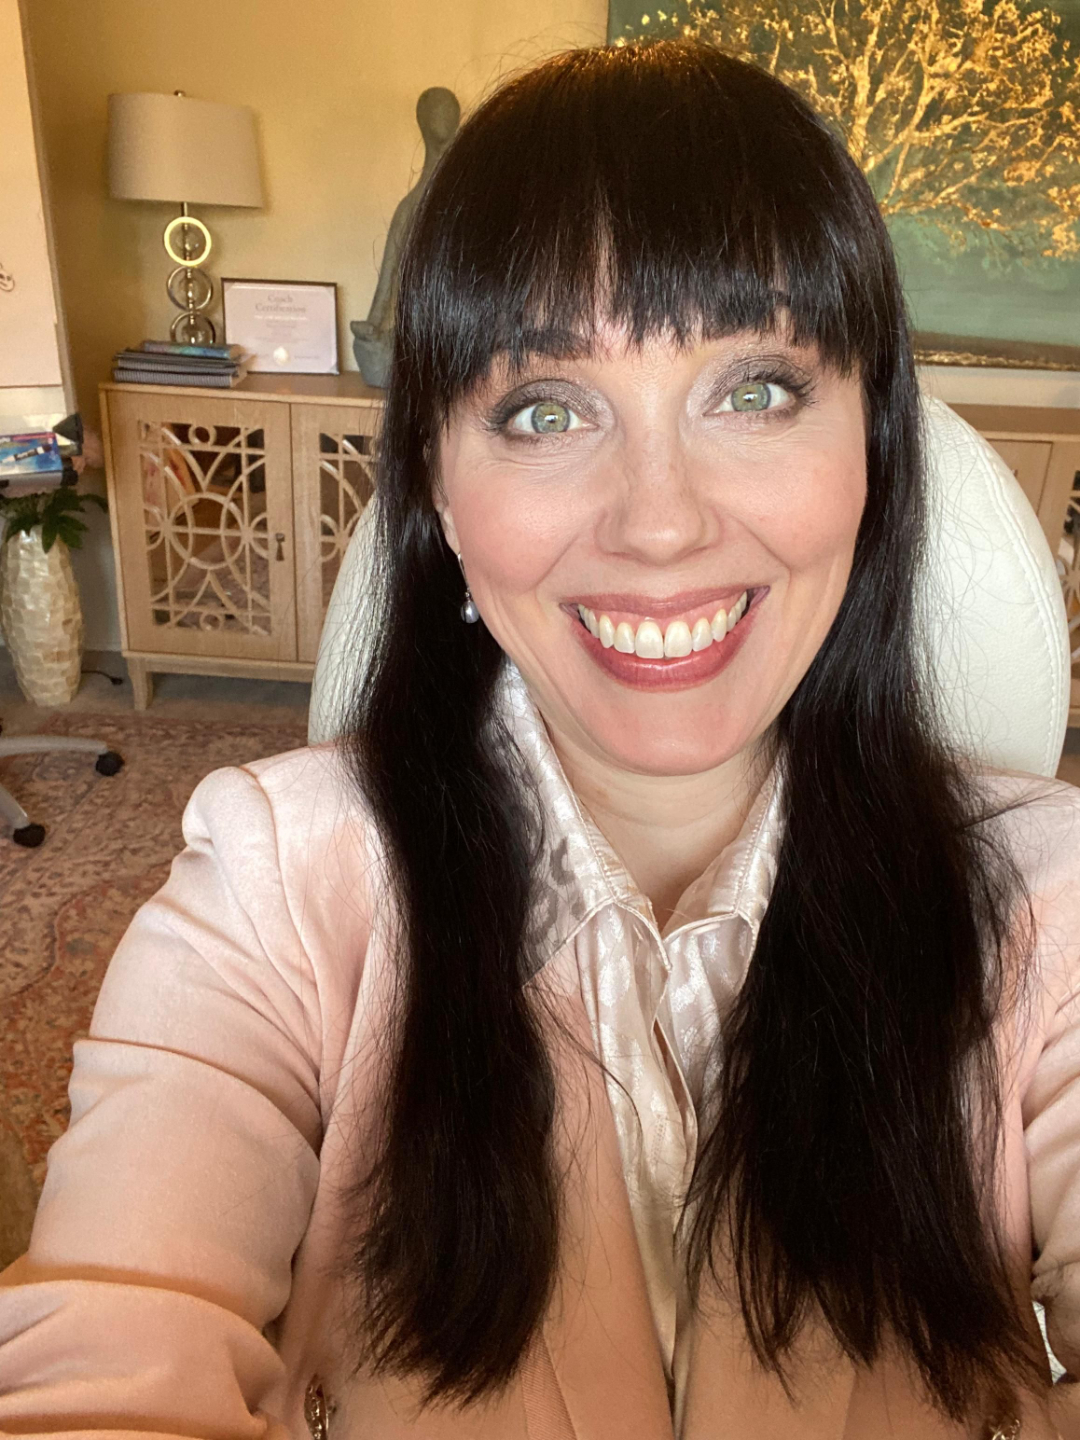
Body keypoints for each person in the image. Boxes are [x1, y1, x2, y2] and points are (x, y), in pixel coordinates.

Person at [1, 39, 1078, 1440]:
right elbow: (111, 1352)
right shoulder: (271, 883)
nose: (661, 524)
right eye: (544, 409)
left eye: (755, 389)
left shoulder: (1052, 899)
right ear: (439, 492)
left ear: (873, 449)